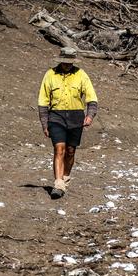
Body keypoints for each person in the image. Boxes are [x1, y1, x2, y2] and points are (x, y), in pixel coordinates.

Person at [37, 47, 98, 199]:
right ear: (60, 61)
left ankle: (65, 179)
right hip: (56, 116)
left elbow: (92, 98)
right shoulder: (50, 75)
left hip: (76, 117)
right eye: (65, 62)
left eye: (70, 63)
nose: (67, 65)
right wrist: (45, 123)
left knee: (70, 151)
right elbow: (43, 101)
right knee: (59, 149)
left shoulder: (81, 74)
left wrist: (89, 116)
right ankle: (58, 183)